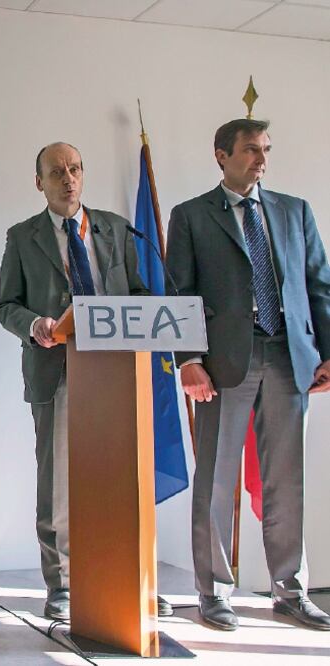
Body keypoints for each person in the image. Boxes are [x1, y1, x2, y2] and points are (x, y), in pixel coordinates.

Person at [166, 118, 330, 632]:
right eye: (251, 150)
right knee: (216, 479)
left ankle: (290, 590)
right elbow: (179, 293)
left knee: (287, 480)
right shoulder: (191, 215)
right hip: (223, 364)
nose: (262, 160)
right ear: (221, 155)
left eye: (266, 150)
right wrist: (189, 359)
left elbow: (319, 285)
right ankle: (214, 591)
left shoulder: (294, 211)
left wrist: (328, 352)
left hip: (289, 357)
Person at [0, 142, 170, 621]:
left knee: (122, 480)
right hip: (57, 370)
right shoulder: (23, 236)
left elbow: (137, 292)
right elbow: (6, 305)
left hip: (117, 371)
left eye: (74, 169)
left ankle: (130, 579)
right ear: (40, 183)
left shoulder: (116, 227)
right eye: (56, 172)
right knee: (58, 486)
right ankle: (64, 585)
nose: (67, 179)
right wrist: (35, 324)